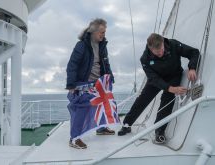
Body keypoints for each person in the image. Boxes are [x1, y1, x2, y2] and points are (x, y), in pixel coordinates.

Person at [118, 33, 200, 144]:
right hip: (156, 79)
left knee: (167, 100)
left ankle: (159, 132)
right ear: (150, 49)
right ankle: (127, 124)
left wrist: (192, 68)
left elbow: (194, 52)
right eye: (157, 52)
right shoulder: (145, 58)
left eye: (161, 49)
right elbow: (153, 78)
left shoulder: (173, 44)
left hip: (173, 76)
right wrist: (169, 88)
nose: (160, 53)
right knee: (142, 99)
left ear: (163, 43)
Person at [66, 18, 115, 149]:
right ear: (93, 32)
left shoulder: (102, 45)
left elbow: (106, 62)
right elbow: (72, 65)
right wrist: (71, 84)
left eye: (104, 32)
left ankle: (101, 128)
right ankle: (74, 138)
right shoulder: (81, 45)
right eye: (101, 33)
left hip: (99, 82)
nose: (103, 35)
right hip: (83, 83)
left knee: (104, 104)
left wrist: (110, 77)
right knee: (82, 108)